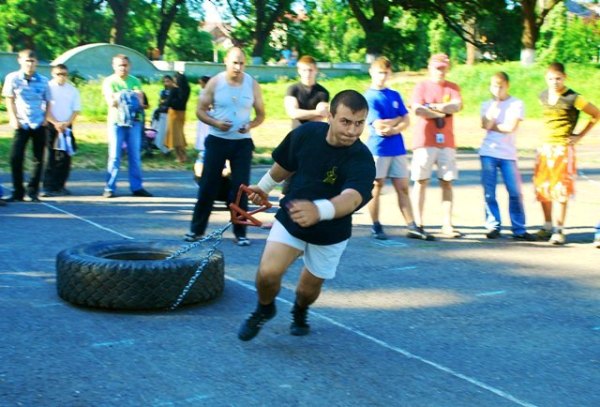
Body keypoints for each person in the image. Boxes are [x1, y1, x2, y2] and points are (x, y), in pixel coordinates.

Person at [237, 90, 376, 341]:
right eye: (346, 121)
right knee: (268, 273)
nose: (353, 131)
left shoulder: (362, 158)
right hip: (292, 218)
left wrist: (319, 210)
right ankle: (264, 308)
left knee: (307, 290)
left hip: (331, 233)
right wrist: (264, 187)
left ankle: (300, 310)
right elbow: (285, 164)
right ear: (330, 116)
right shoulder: (306, 134)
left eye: (359, 123)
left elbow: (352, 198)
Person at [186, 47, 265, 246]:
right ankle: (196, 230)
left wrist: (251, 125)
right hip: (217, 140)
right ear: (226, 62)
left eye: (241, 63)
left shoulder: (252, 84)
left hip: (242, 143)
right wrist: (215, 123)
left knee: (240, 188)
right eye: (234, 63)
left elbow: (261, 114)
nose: (238, 67)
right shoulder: (215, 82)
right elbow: (200, 111)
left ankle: (240, 232)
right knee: (208, 186)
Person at [364, 56, 433, 241]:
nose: (383, 77)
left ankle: (412, 225)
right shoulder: (369, 97)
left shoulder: (394, 95)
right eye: (379, 73)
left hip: (397, 148)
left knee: (402, 187)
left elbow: (407, 119)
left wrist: (395, 125)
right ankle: (376, 224)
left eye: (386, 73)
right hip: (378, 149)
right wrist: (397, 122)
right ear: (372, 72)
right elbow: (380, 125)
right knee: (376, 187)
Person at [533, 62, 600, 245]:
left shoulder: (573, 98)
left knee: (561, 189)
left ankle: (559, 229)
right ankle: (547, 225)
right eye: (551, 79)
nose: (555, 82)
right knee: (543, 188)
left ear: (565, 77)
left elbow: (596, 114)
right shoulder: (543, 96)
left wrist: (579, 136)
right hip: (545, 147)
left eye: (558, 78)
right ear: (546, 79)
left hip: (563, 148)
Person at [410, 53, 463, 238]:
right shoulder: (421, 86)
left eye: (443, 68)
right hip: (424, 141)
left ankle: (447, 225)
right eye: (437, 67)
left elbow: (456, 106)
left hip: (446, 141)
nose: (440, 71)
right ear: (430, 67)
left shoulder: (453, 87)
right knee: (420, 181)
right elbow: (416, 108)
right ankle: (417, 223)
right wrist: (442, 110)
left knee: (447, 182)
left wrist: (432, 108)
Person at [479, 72, 536, 241]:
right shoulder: (487, 104)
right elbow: (485, 125)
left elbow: (510, 127)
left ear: (507, 85)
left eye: (501, 86)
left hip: (508, 154)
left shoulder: (516, 104)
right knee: (489, 192)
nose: (497, 90)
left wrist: (495, 126)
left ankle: (519, 228)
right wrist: (494, 108)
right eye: (494, 86)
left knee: (515, 191)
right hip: (488, 152)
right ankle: (492, 225)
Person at [1, 49, 50, 202]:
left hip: (38, 122)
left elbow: (48, 101)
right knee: (16, 157)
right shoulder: (13, 78)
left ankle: (33, 191)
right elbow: (9, 99)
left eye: (33, 61)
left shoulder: (43, 80)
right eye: (27, 61)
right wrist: (13, 118)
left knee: (38, 158)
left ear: (36, 63)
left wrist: (45, 118)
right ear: (20, 61)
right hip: (21, 123)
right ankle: (18, 191)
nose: (30, 64)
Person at [101, 54, 152, 198]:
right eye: (119, 65)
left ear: (129, 66)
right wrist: (129, 94)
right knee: (115, 156)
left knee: (135, 155)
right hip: (117, 122)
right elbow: (112, 102)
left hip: (134, 122)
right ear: (114, 66)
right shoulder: (109, 81)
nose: (123, 68)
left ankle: (137, 187)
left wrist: (123, 95)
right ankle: (109, 187)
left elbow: (141, 102)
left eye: (125, 65)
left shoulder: (135, 81)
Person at [42, 64, 81, 197]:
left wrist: (66, 124)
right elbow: (44, 109)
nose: (62, 77)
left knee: (65, 157)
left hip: (66, 126)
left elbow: (76, 109)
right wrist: (55, 123)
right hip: (51, 125)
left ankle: (60, 185)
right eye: (59, 74)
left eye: (64, 74)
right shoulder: (47, 88)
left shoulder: (72, 90)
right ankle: (48, 186)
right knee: (50, 156)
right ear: (53, 74)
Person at [284, 55, 329, 130]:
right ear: (299, 71)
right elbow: (293, 113)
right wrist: (317, 112)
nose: (308, 73)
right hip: (295, 132)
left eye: (310, 70)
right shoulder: (292, 89)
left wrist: (301, 114)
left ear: (316, 70)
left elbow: (320, 116)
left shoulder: (323, 92)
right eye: (304, 70)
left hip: (314, 132)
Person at [165, 72, 190, 163]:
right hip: (182, 113)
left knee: (175, 137)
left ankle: (180, 157)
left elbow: (168, 102)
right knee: (180, 135)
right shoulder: (187, 89)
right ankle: (184, 155)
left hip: (174, 113)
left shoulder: (174, 89)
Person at [152, 75, 174, 155]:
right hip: (162, 113)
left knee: (167, 132)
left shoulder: (174, 91)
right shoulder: (162, 92)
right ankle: (160, 147)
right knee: (161, 132)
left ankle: (167, 150)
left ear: (172, 81)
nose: (166, 83)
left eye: (168, 81)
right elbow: (160, 102)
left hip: (170, 113)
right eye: (164, 81)